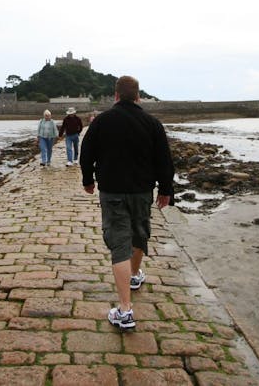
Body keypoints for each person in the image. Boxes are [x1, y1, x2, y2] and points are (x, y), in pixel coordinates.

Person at [79, 76, 174, 329]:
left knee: (119, 243)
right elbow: (164, 160)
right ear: (138, 96)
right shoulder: (152, 123)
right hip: (142, 191)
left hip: (112, 192)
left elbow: (86, 153)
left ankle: (124, 310)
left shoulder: (101, 122)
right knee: (139, 234)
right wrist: (166, 190)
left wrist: (87, 180)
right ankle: (133, 276)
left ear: (116, 95)